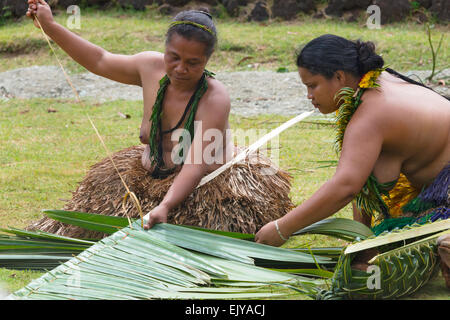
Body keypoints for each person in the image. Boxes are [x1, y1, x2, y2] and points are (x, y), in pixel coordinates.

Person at [25, 0, 294, 238]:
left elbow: (196, 163)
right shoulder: (150, 67)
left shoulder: (215, 97)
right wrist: (50, 26)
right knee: (84, 234)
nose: (180, 69)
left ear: (207, 60)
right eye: (173, 57)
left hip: (203, 186)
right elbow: (100, 60)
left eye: (193, 62)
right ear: (164, 49)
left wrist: (165, 206)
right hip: (147, 175)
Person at [255, 35, 449, 283]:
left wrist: (282, 228)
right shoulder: (380, 80)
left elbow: (346, 186)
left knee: (407, 256)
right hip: (437, 189)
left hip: (444, 199)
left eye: (312, 85)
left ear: (339, 77)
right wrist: (364, 243)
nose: (309, 96)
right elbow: (363, 179)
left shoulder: (370, 115)